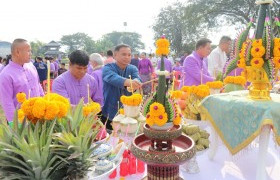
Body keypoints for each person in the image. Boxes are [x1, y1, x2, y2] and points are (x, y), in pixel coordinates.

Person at [0, 39, 44, 124]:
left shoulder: (31, 67)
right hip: (21, 121)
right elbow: (7, 102)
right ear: (17, 52)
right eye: (28, 51)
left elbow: (38, 86)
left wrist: (44, 103)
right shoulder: (5, 74)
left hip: (38, 116)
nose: (31, 54)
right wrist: (15, 124)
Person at [102, 44, 141, 130]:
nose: (127, 57)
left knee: (127, 136)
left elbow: (137, 78)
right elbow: (113, 78)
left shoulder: (132, 68)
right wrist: (128, 82)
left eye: (129, 55)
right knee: (111, 138)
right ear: (115, 55)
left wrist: (136, 83)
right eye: (124, 54)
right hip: (110, 111)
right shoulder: (107, 68)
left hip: (129, 112)